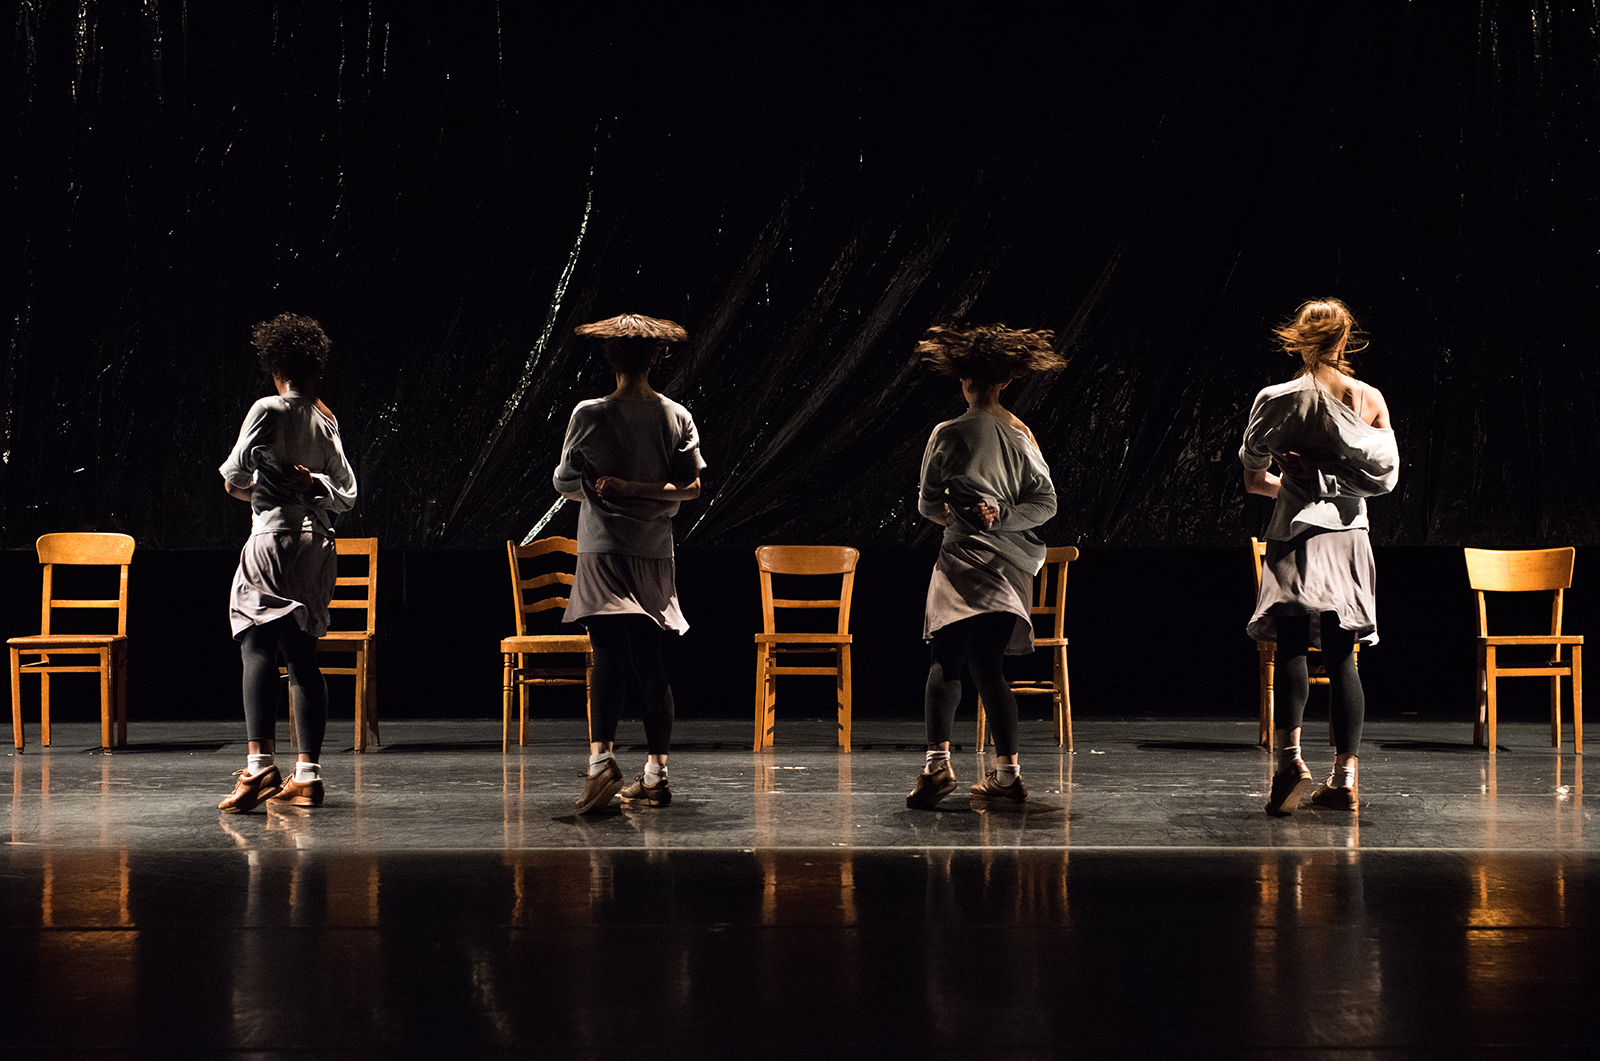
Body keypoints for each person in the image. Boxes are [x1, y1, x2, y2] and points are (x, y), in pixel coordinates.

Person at [1241, 298, 1398, 816]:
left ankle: (1290, 761)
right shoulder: (1369, 398)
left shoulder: (1278, 398)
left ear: (1297, 339)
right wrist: (1334, 480)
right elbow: (1385, 478)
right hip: (1349, 534)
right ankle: (1344, 779)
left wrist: (1293, 482)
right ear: (1345, 339)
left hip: (1297, 532)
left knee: (1291, 646)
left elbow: (1253, 478)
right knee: (1341, 655)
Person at [905, 323, 1063, 810]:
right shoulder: (1022, 434)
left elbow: (928, 505)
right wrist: (1006, 516)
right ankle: (1008, 775)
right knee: (989, 668)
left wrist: (963, 514)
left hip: (963, 558)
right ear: (1007, 381)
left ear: (962, 381)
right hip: (1010, 564)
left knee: (946, 660)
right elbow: (1047, 503)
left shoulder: (948, 433)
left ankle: (937, 766)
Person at [553, 314, 705, 814]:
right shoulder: (676, 415)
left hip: (603, 548)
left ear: (609, 358)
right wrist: (639, 491)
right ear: (657, 357)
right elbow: (691, 489)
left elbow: (563, 480)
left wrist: (613, 488)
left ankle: (601, 766)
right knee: (648, 661)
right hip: (653, 551)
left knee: (607, 656)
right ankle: (656, 776)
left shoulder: (589, 413)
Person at [217, 313, 358, 812]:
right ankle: (308, 775)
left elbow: (233, 472)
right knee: (302, 656)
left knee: (256, 644)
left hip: (275, 538)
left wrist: (257, 481)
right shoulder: (326, 419)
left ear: (275, 366)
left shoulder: (269, 408)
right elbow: (348, 495)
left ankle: (258, 768)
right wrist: (313, 484)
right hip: (316, 544)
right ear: (316, 367)